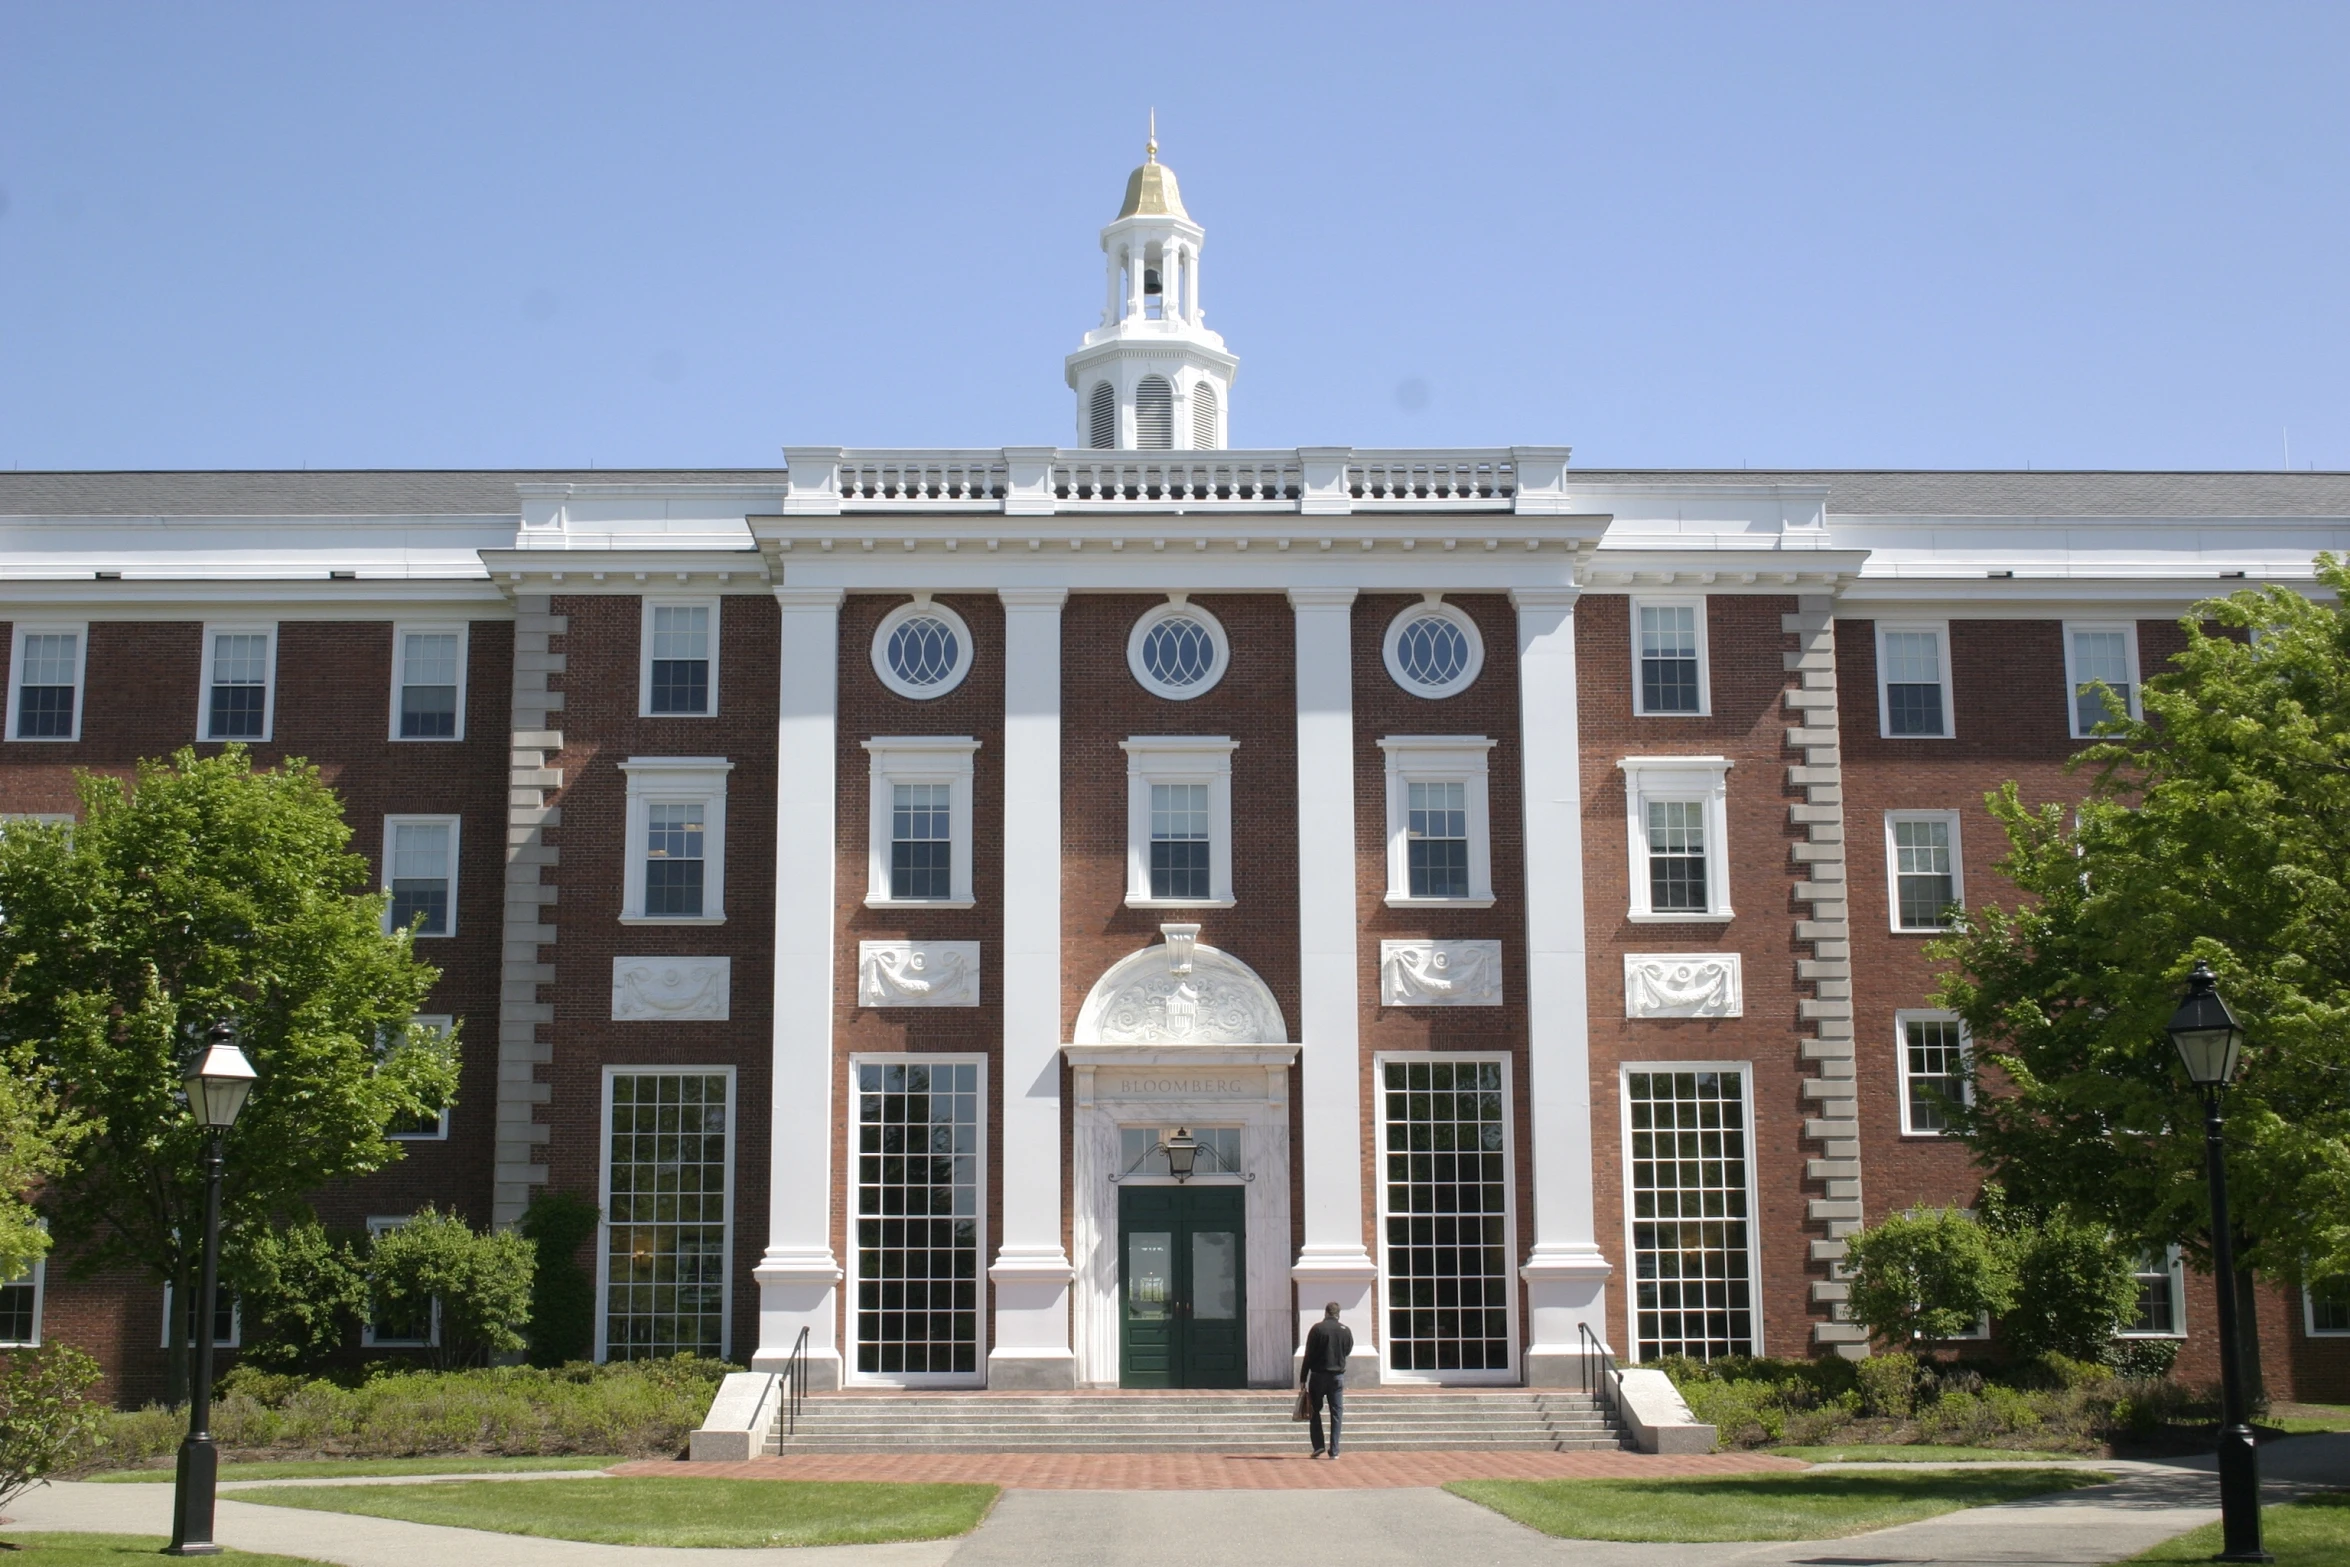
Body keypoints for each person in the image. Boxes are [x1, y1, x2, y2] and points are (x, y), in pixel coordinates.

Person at [1300, 1301, 1353, 1458]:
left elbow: (1308, 1354)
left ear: (1326, 1313)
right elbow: (1348, 1350)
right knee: (1336, 1412)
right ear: (1338, 1314)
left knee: (1315, 1410)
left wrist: (1303, 1377)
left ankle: (1318, 1445)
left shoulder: (1317, 1329)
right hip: (1337, 1376)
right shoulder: (1345, 1330)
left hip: (1318, 1375)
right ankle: (1335, 1450)